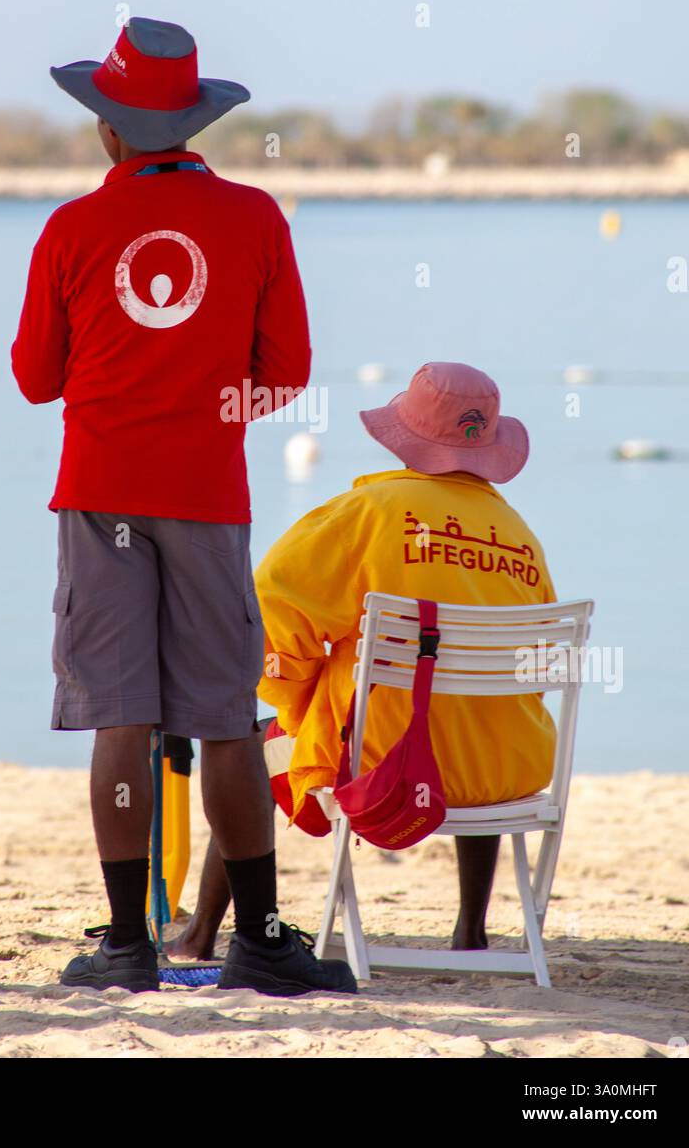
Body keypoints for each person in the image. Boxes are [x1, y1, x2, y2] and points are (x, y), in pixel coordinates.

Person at [11, 14, 356, 996]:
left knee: (119, 717)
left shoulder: (71, 229)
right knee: (223, 718)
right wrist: (212, 409)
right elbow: (284, 373)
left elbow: (37, 380)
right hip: (207, 496)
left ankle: (125, 947)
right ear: (194, 129)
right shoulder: (254, 220)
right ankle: (256, 938)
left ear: (106, 131)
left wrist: (118, 388)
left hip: (100, 493)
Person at [170, 361, 558, 959]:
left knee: (246, 745)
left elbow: (265, 613)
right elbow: (532, 662)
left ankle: (200, 934)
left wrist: (298, 697)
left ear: (405, 436)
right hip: (503, 771)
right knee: (466, 710)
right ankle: (471, 931)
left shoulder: (367, 513)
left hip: (383, 764)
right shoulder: (520, 536)